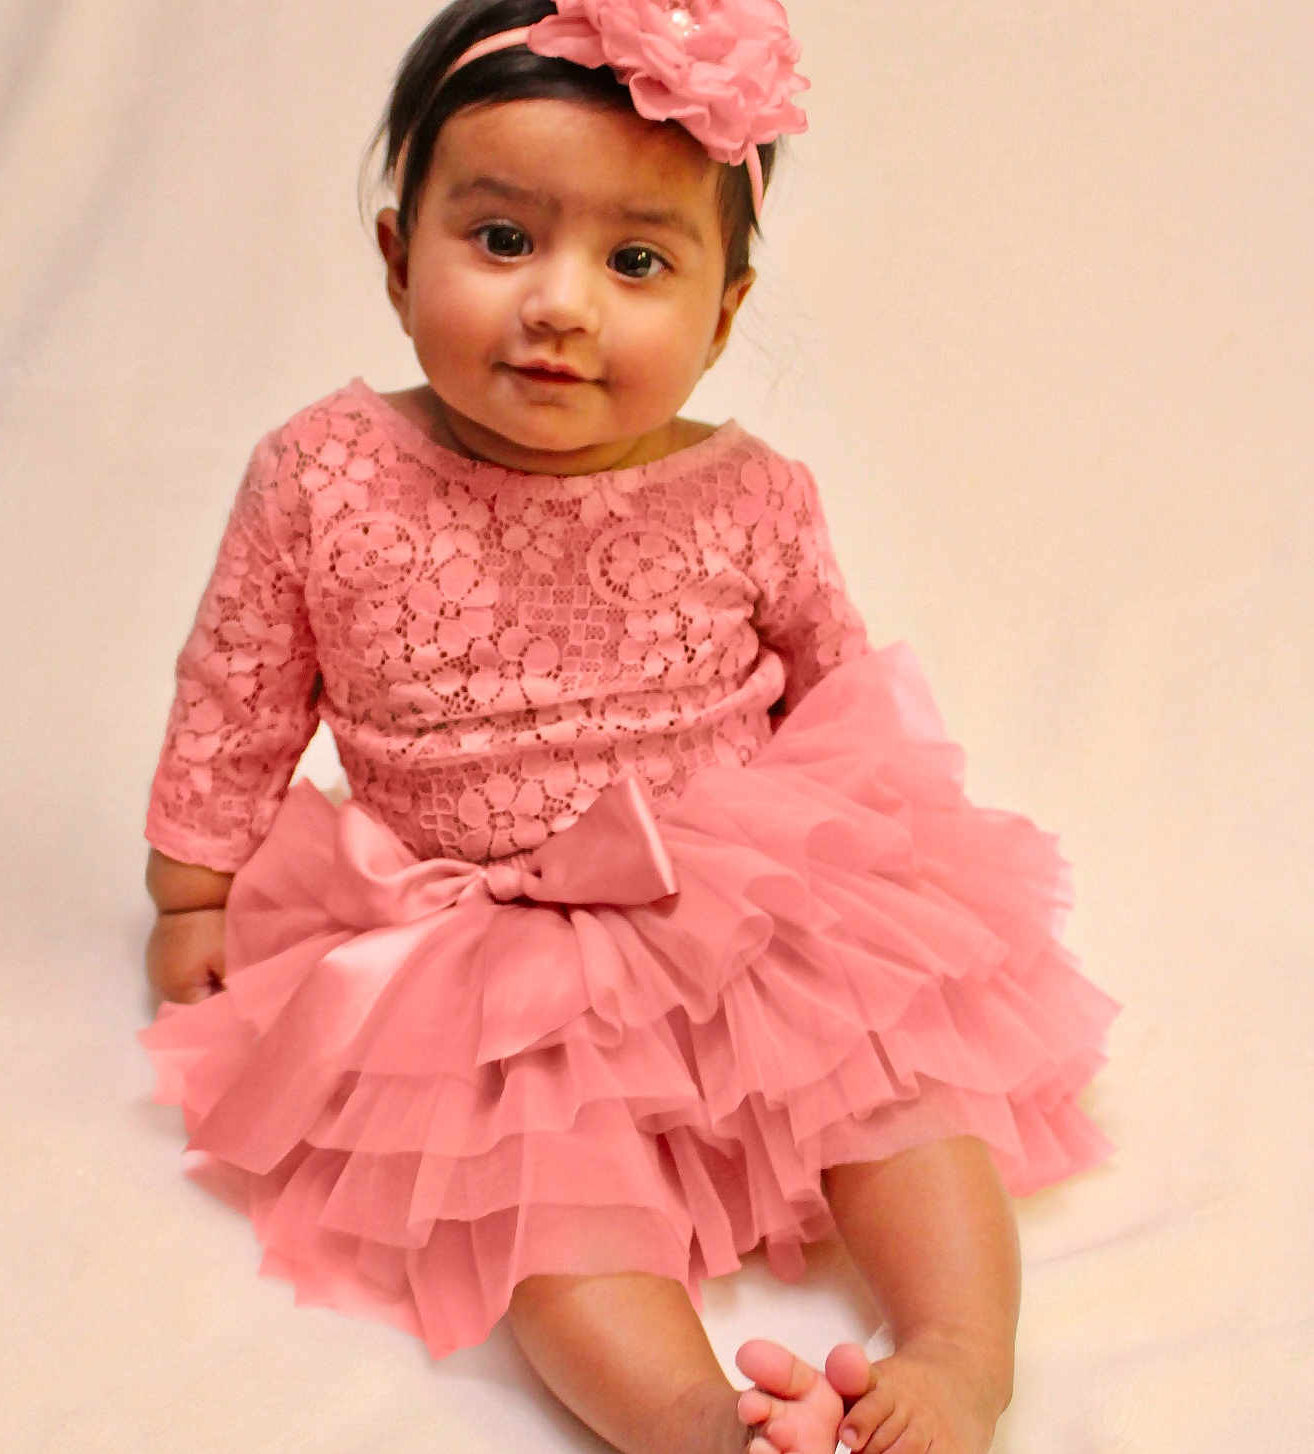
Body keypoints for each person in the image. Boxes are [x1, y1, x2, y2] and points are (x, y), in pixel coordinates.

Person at [140, 3, 1118, 1451]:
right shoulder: (323, 475)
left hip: (736, 907)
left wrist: (873, 884)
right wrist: (193, 886)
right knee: (538, 1196)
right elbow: (238, 686)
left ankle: (959, 1360)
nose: (560, 304)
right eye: (501, 239)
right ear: (397, 256)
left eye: (637, 261)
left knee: (898, 1086)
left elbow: (838, 694)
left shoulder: (753, 493)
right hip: (478, 937)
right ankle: (695, 1422)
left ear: (722, 313)